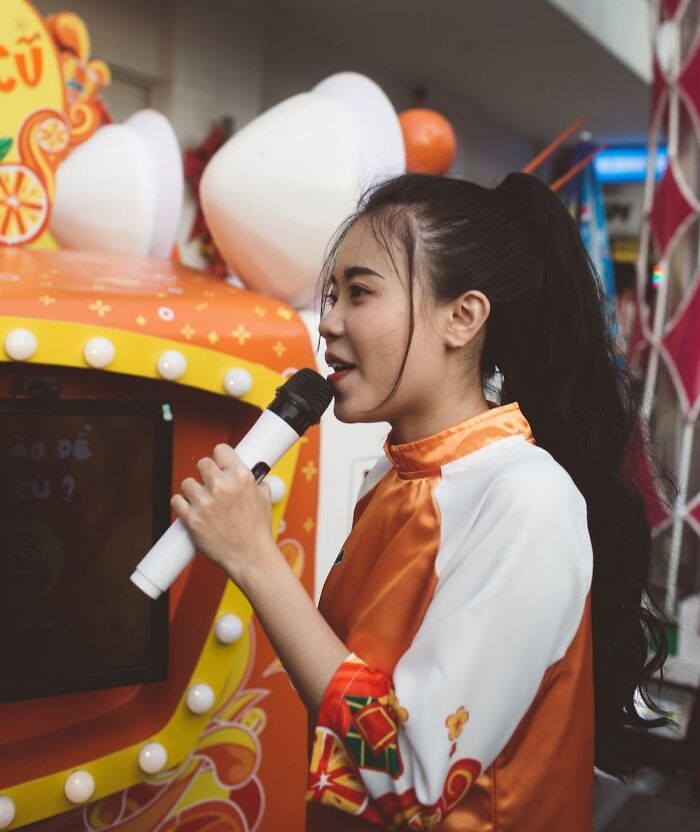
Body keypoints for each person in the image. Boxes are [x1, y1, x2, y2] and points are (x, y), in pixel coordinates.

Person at [170, 172, 668, 831]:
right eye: (332, 295)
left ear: (462, 317)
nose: (329, 322)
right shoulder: (394, 475)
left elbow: (412, 775)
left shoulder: (527, 499)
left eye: (360, 293)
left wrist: (256, 560)